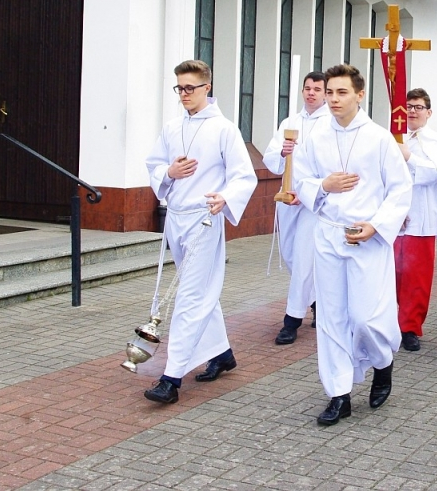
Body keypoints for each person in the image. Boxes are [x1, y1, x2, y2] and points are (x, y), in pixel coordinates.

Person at [291, 64, 412, 426]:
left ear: (360, 95)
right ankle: (338, 393)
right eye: (329, 92)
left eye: (341, 93)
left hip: (368, 237)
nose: (333, 99)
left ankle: (383, 362)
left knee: (366, 318)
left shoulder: (378, 138)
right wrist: (323, 186)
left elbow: (401, 188)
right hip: (328, 234)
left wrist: (376, 226)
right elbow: (300, 180)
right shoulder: (316, 137)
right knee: (332, 318)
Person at [142, 60, 258, 404]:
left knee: (190, 296)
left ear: (207, 87)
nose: (184, 95)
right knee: (202, 290)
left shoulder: (224, 129)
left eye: (190, 88)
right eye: (179, 88)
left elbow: (244, 174)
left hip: (204, 219)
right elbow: (154, 164)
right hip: (175, 217)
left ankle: (171, 378)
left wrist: (225, 196)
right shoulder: (172, 126)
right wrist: (168, 172)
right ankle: (221, 354)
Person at [262, 71, 329, 345]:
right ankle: (317, 302)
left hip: (313, 201)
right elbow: (270, 157)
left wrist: (308, 191)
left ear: (325, 93)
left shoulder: (330, 124)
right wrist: (282, 151)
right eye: (307, 88)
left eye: (317, 89)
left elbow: (329, 166)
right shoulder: (290, 122)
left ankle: (291, 320)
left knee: (303, 258)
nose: (311, 93)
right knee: (291, 256)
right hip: (288, 198)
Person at [395, 88, 437, 352]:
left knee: (416, 277)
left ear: (429, 112)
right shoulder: (392, 138)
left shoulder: (436, 141)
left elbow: (436, 172)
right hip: (394, 217)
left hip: (422, 217)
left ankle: (410, 327)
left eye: (418, 107)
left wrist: (409, 156)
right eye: (409, 106)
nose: (413, 111)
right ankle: (392, 322)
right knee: (393, 274)